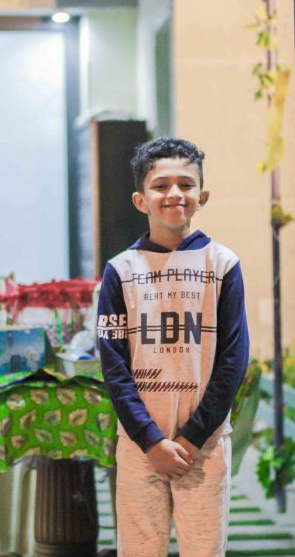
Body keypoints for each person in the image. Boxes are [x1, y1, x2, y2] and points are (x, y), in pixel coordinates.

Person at [96, 137, 249, 557]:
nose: (174, 194)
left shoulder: (223, 265)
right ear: (140, 200)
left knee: (204, 549)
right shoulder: (120, 271)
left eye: (186, 184)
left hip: (204, 446)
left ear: (202, 196)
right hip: (140, 447)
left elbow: (233, 359)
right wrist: (150, 440)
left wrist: (193, 437)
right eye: (161, 185)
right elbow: (114, 366)